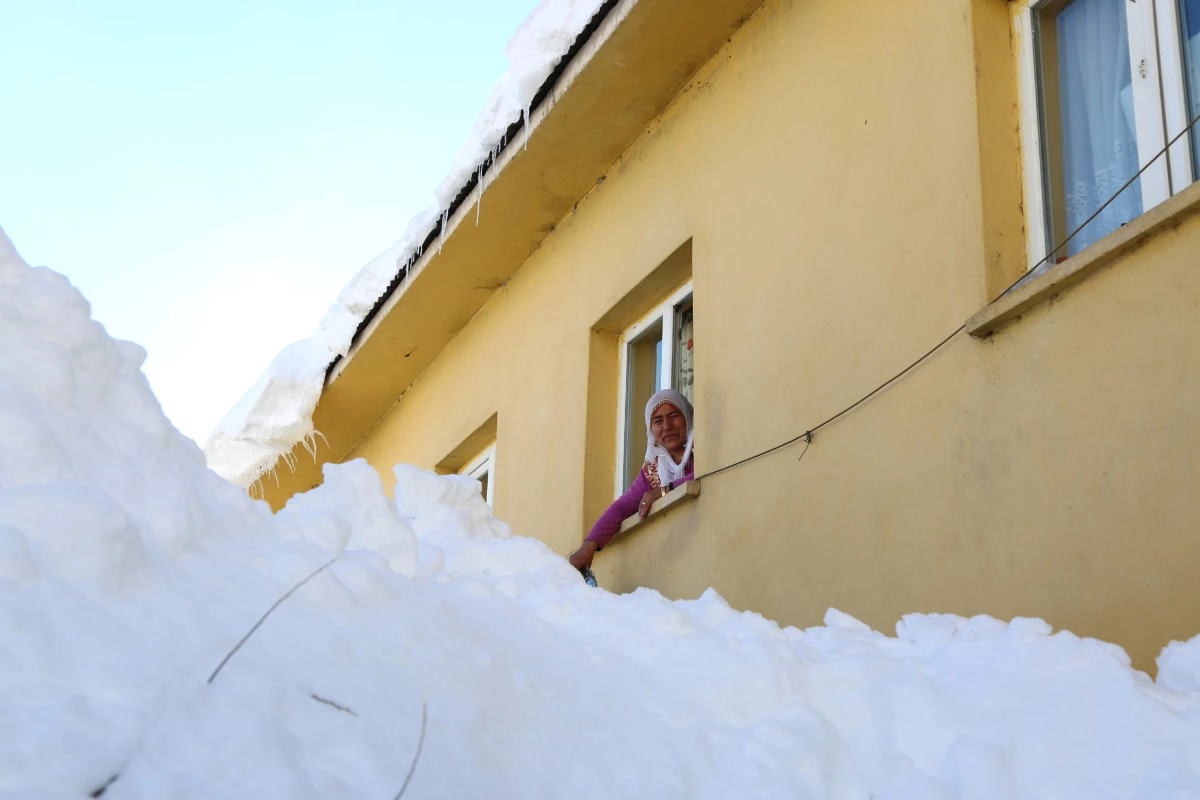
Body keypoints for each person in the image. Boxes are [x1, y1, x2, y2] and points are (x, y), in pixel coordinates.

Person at [569, 389, 695, 571]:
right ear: (651, 430)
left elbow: (708, 473)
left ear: (687, 418)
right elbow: (622, 507)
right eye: (658, 421)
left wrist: (664, 491)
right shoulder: (653, 470)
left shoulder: (703, 447)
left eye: (674, 416)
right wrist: (588, 546)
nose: (666, 426)